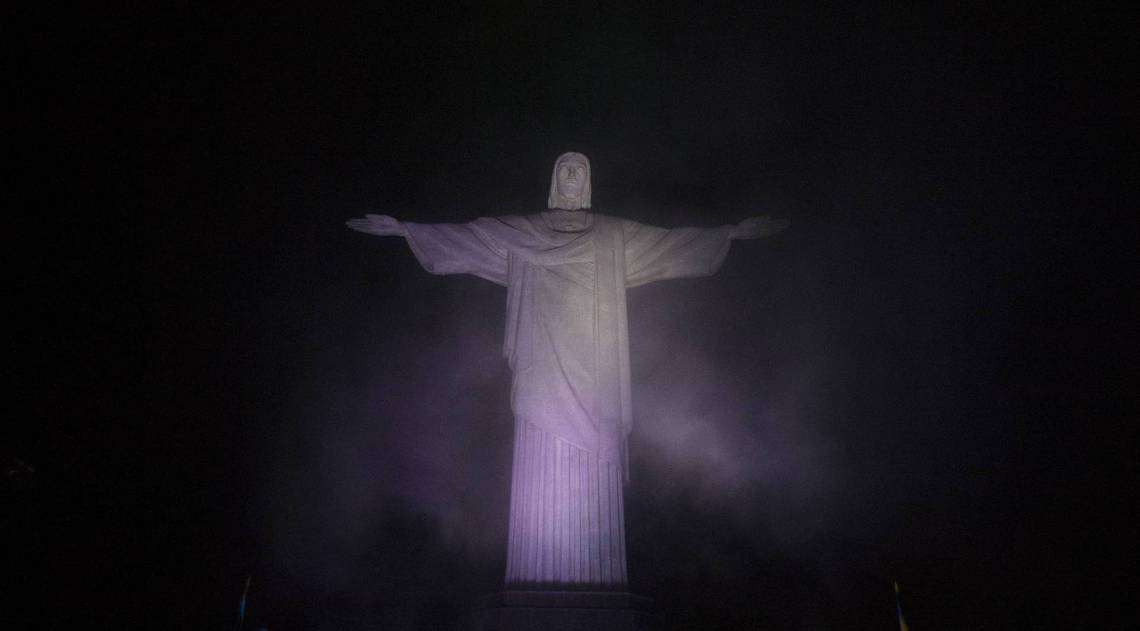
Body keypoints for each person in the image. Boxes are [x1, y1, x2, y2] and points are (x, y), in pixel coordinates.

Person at [347, 151, 787, 589]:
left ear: (589, 181)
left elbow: (670, 243)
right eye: (566, 169)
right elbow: (467, 238)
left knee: (594, 458)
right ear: (556, 180)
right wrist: (405, 229)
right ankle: (534, 580)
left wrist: (729, 234)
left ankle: (598, 581)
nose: (573, 175)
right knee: (539, 445)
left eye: (581, 169)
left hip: (595, 373)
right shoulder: (523, 232)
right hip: (541, 367)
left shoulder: (614, 235)